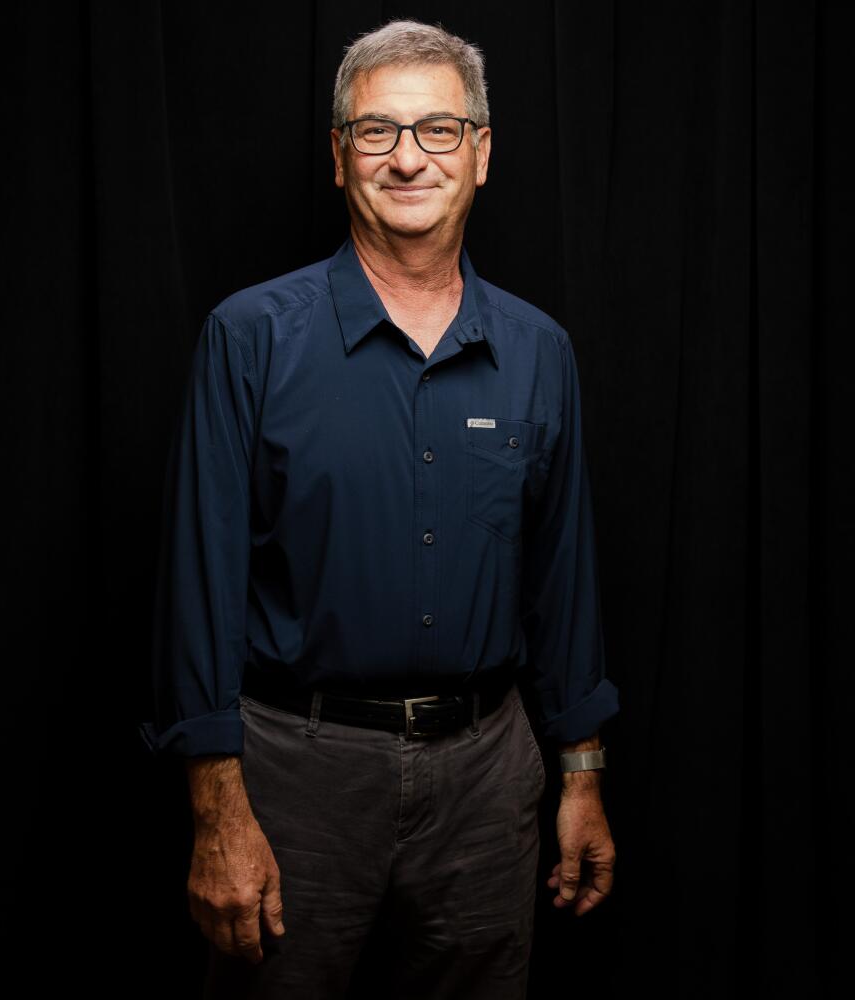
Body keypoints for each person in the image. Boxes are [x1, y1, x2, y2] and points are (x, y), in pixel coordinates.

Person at [139, 17, 620, 1000]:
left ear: (480, 154)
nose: (408, 158)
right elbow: (197, 585)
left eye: (438, 131)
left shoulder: (539, 352)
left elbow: (563, 580)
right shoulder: (251, 339)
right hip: (294, 778)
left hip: (488, 779)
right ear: (338, 156)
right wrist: (217, 812)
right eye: (376, 132)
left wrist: (581, 776)